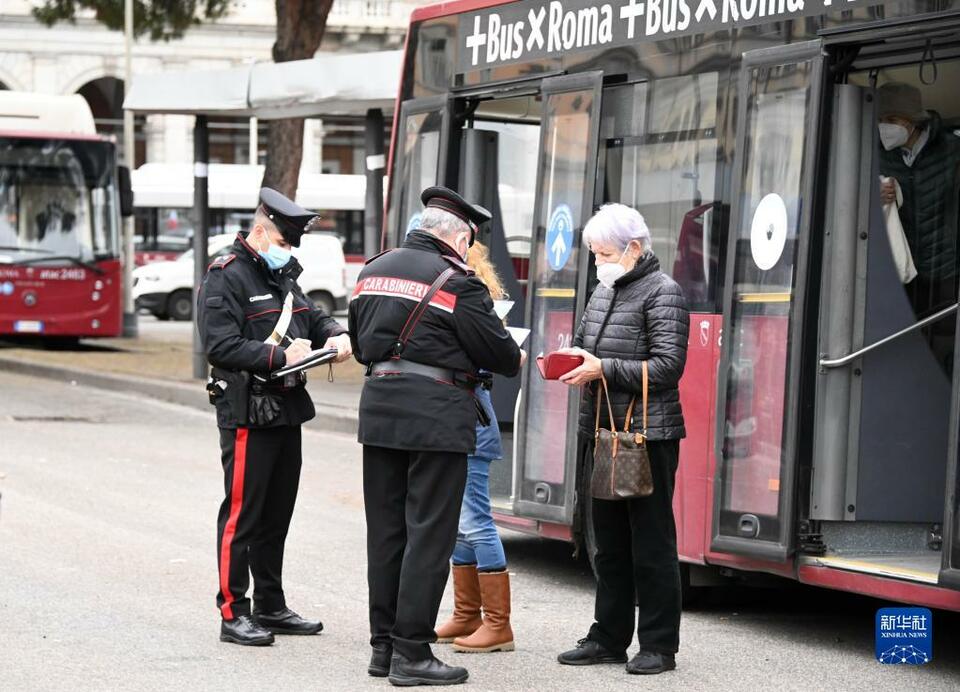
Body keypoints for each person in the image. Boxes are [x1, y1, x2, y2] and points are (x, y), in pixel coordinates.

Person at [348, 186, 525, 686]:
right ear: (459, 236)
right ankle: (412, 654)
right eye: (469, 240)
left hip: (380, 412)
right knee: (429, 535)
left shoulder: (371, 270)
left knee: (385, 535)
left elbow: (361, 345)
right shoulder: (459, 281)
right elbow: (502, 356)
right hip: (436, 420)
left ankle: (382, 648)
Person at [197, 188, 353, 646]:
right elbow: (221, 345)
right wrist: (278, 354)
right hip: (247, 408)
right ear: (261, 232)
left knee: (277, 513)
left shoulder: (282, 275)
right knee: (243, 514)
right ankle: (233, 611)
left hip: (285, 409)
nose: (287, 253)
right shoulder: (226, 276)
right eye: (284, 243)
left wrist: (336, 335)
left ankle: (270, 603)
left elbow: (312, 316)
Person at [554, 204, 688, 675]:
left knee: (650, 542)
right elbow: (590, 347)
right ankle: (607, 637)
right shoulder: (603, 290)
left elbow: (669, 368)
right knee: (606, 542)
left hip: (648, 435)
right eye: (593, 254)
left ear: (634, 248)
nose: (597, 263)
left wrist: (602, 368)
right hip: (602, 429)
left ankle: (658, 645)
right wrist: (572, 360)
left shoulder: (663, 293)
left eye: (603, 253)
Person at [434, 242, 514, 655]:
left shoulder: (468, 297)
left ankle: (498, 625)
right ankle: (467, 614)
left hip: (471, 420)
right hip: (462, 418)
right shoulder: (466, 291)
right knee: (461, 522)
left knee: (477, 518)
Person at [877, 82, 960, 319]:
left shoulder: (952, 150)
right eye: (881, 119)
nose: (884, 126)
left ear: (911, 120)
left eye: (891, 118)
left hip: (945, 271)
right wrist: (874, 198)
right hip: (898, 271)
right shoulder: (875, 155)